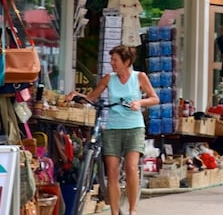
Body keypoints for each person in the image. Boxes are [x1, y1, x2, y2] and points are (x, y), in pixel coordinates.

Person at [66, 45, 159, 215]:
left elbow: (154, 98)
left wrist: (139, 102)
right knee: (112, 171)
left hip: (134, 127)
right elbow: (91, 98)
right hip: (113, 128)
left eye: (115, 60)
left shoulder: (139, 77)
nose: (112, 63)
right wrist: (76, 96)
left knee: (131, 168)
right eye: (111, 59)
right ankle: (114, 212)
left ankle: (132, 210)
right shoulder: (109, 78)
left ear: (127, 62)